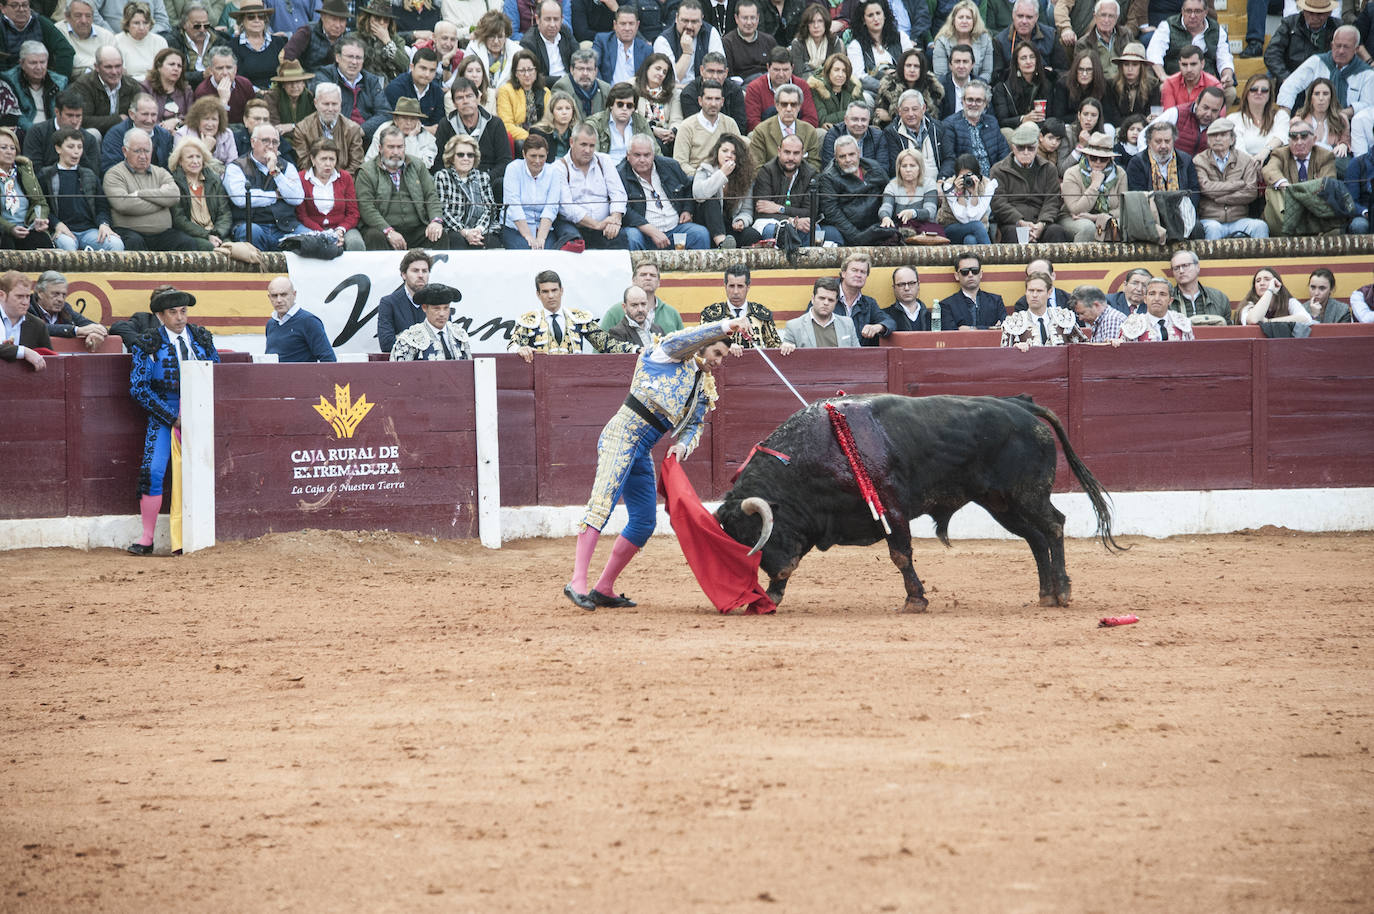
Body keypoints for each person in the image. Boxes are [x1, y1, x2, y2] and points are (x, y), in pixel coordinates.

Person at [565, 312, 748, 611]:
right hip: (621, 435)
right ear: (703, 345)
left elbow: (694, 425)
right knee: (601, 504)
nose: (718, 361)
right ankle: (577, 581)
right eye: (716, 352)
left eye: (723, 357)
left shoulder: (703, 386)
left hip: (643, 448)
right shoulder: (668, 352)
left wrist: (682, 446)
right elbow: (690, 336)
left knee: (644, 522)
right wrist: (728, 326)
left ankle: (604, 587)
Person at [127, 286, 220, 556]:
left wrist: (201, 411)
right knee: (153, 471)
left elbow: (217, 373)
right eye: (173, 312)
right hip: (164, 414)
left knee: (205, 471)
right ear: (160, 315)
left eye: (183, 311)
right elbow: (139, 388)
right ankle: (147, 538)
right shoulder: (148, 343)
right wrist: (172, 417)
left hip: (200, 412)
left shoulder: (201, 337)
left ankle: (199, 534)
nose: (180, 318)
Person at [510, 269, 639, 360]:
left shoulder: (577, 318)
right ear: (538, 294)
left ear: (561, 291)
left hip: (573, 380)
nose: (551, 296)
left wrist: (635, 350)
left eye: (554, 290)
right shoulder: (529, 321)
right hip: (542, 381)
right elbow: (513, 345)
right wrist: (520, 349)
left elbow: (606, 343)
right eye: (545, 292)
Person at [105, 127, 198, 250]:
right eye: (137, 151)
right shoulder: (114, 174)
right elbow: (123, 204)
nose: (143, 156)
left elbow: (175, 196)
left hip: (162, 234)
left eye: (147, 151)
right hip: (130, 232)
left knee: (187, 243)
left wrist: (140, 194)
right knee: (134, 242)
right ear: (125, 151)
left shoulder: (161, 172)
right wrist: (161, 202)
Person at [356, 124, 447, 250]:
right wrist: (388, 231)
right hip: (382, 229)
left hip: (416, 228)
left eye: (400, 147)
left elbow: (431, 196)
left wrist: (436, 221)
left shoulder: (418, 165)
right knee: (373, 236)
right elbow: (366, 207)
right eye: (391, 147)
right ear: (380, 148)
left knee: (439, 234)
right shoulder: (366, 171)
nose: (396, 152)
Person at [618, 133, 709, 250]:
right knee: (632, 237)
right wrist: (649, 229)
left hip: (675, 229)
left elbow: (688, 187)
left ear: (653, 154)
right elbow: (622, 208)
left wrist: (687, 210)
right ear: (628, 155)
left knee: (700, 234)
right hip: (643, 233)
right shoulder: (620, 174)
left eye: (647, 155)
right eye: (637, 155)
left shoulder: (670, 165)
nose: (642, 160)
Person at [37, 127, 121, 252]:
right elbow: (41, 206)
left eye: (79, 147)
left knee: (115, 244)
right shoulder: (46, 175)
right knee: (68, 246)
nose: (76, 152)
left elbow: (102, 206)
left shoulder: (89, 175)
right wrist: (56, 224)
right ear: (58, 148)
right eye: (71, 147)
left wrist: (104, 224)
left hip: (89, 231)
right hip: (62, 230)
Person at [223, 122, 304, 248]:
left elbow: (297, 198)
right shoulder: (236, 167)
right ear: (253, 142)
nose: (270, 146)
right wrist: (275, 195)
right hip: (251, 224)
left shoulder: (287, 167)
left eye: (275, 142)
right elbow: (241, 199)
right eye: (265, 141)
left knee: (311, 239)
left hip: (285, 226)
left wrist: (275, 172)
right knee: (253, 232)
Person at [554, 121, 630, 249]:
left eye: (592, 145)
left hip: (606, 225)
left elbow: (618, 193)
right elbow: (566, 207)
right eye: (583, 145)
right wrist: (596, 225)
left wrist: (615, 219)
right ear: (572, 142)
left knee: (621, 240)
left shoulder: (604, 160)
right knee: (573, 243)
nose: (588, 150)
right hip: (575, 226)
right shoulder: (559, 167)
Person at [988, 122, 1069, 243]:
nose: (1026, 152)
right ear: (1013, 147)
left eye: (1030, 148)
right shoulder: (999, 170)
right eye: (1021, 148)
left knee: (1056, 231)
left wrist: (1042, 224)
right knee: (1013, 234)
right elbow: (998, 203)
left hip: (1041, 222)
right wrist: (1020, 222)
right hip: (1012, 223)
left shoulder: (1049, 168)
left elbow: (1052, 200)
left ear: (1036, 148)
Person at [748, 132, 836, 243]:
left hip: (800, 221)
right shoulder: (767, 171)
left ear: (802, 154)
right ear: (779, 151)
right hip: (770, 222)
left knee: (815, 229)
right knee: (775, 230)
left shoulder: (811, 174)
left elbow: (810, 212)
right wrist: (791, 221)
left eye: (796, 153)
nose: (791, 158)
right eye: (787, 152)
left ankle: (806, 255)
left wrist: (780, 209)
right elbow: (762, 211)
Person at [502, 132, 581, 250]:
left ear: (547, 155)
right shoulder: (513, 168)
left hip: (543, 228)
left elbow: (551, 207)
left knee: (546, 254)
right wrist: (528, 236)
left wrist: (541, 238)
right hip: (515, 228)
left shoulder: (553, 172)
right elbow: (514, 206)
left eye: (542, 156)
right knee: (525, 253)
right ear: (524, 154)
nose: (537, 161)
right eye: (533, 156)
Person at [1194, 118, 1268, 240]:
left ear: (1232, 139)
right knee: (1213, 229)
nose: (1217, 139)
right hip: (1210, 219)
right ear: (1208, 140)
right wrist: (1239, 184)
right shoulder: (1199, 160)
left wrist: (1220, 198)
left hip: (1239, 219)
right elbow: (1206, 188)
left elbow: (1251, 192)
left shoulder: (1245, 160)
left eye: (1223, 135)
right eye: (1213, 135)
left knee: (1260, 226)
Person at [308, 34, 391, 140]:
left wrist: (361, 130)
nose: (354, 62)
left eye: (358, 58)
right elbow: (328, 109)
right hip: (335, 137)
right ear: (338, 57)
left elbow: (385, 113)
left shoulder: (371, 81)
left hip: (366, 137)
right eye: (350, 57)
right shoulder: (324, 76)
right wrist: (348, 132)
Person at [1275, 26, 1371, 117]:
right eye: (1338, 46)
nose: (1341, 51)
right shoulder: (1316, 62)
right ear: (1332, 45)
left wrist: (1339, 115)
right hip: (1313, 120)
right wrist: (1285, 114)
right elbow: (1289, 86)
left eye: (1346, 47)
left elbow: (1368, 104)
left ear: (1356, 49)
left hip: (1350, 122)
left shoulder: (1367, 73)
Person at [1261, 120, 1337, 235]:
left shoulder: (1325, 156)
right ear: (1288, 141)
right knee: (1273, 189)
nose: (1299, 142)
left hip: (1313, 211)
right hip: (1284, 215)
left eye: (1304, 137)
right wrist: (1285, 185)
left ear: (1314, 139)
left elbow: (1328, 182)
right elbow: (1269, 170)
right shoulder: (1281, 154)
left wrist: (1301, 195)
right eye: (1294, 138)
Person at [432, 77, 513, 184]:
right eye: (460, 98)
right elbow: (437, 161)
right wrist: (455, 180)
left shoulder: (495, 124)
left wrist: (485, 178)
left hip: (488, 180)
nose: (465, 101)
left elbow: (505, 161)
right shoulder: (446, 124)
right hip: (454, 182)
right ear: (454, 103)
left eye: (469, 96)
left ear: (478, 98)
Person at [1146, 0, 1234, 98]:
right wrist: (1163, 76)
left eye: (1197, 11)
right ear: (1182, 11)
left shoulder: (1217, 29)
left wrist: (1227, 75)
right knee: (1164, 88)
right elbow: (1154, 53)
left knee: (1230, 92)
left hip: (1206, 84)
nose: (1192, 16)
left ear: (1205, 12)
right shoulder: (1167, 26)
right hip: (1175, 82)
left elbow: (1224, 58)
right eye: (1188, 11)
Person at [296, 136, 364, 252]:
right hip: (313, 229)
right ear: (313, 159)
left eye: (332, 159)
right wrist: (325, 234)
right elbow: (302, 215)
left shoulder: (345, 177)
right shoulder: (301, 178)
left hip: (342, 228)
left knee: (356, 243)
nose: (328, 164)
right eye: (323, 159)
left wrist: (340, 230)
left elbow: (353, 213)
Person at [433, 133, 501, 250]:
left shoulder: (483, 177)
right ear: (451, 157)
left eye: (470, 155)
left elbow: (490, 208)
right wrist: (465, 232)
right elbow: (443, 210)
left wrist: (478, 230)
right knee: (457, 241)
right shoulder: (442, 176)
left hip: (480, 229)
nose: (466, 158)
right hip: (453, 229)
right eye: (460, 155)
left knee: (491, 242)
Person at [692, 131, 758, 247]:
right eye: (725, 151)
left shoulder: (745, 176)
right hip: (707, 223)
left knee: (752, 235)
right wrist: (722, 174)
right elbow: (698, 195)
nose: (729, 155)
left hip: (729, 224)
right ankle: (722, 244)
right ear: (717, 152)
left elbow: (747, 210)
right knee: (711, 199)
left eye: (734, 153)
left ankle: (731, 248)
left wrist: (741, 221)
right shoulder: (705, 169)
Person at [699, 263, 781, 353]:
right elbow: (702, 345)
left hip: (755, 362)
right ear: (725, 286)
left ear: (748, 287)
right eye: (731, 286)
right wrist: (725, 347)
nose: (736, 292)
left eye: (740, 286)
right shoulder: (711, 314)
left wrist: (785, 347)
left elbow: (775, 346)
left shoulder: (761, 313)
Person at [168, 134, 231, 251]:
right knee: (209, 248)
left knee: (233, 248)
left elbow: (225, 214)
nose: (195, 161)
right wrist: (207, 235)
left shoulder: (214, 180)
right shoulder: (174, 182)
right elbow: (179, 219)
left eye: (198, 156)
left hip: (216, 233)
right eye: (190, 157)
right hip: (193, 236)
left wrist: (216, 234)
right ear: (180, 161)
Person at [1058, 131, 1123, 242]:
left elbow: (1123, 208)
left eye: (1103, 159)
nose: (1098, 162)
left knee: (1120, 224)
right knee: (1088, 228)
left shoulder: (1120, 173)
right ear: (1087, 156)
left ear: (1110, 158)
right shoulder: (1072, 173)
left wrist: (1097, 217)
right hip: (1071, 217)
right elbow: (1076, 210)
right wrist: (1095, 185)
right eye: (1093, 157)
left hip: (1107, 216)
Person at [936, 79, 1007, 177]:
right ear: (962, 101)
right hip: (965, 179)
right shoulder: (950, 125)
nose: (973, 104)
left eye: (978, 100)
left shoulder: (992, 122)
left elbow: (1003, 153)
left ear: (985, 103)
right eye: (970, 99)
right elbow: (950, 159)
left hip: (993, 178)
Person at [27, 270, 108, 350]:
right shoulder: (27, 307)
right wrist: (77, 331)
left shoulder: (65, 309)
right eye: (55, 294)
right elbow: (38, 328)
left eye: (64, 295)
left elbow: (91, 325)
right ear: (40, 293)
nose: (60, 299)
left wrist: (96, 332)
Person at [1125, 120, 1200, 206]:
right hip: (1150, 211)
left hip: (1182, 210)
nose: (1163, 146)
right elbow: (1138, 196)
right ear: (1149, 142)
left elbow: (1194, 192)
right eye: (1158, 141)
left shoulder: (1185, 160)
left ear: (1173, 141)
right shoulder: (1137, 162)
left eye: (1167, 141)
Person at [990, 0, 1068, 83]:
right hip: (1013, 87)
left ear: (1036, 17)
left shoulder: (1052, 36)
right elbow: (997, 77)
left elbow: (1063, 72)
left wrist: (1050, 73)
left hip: (1046, 85)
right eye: (1020, 16)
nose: (1024, 21)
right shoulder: (1000, 41)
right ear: (1013, 15)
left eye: (1029, 17)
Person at [1000, 271, 1083, 349]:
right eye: (1031, 290)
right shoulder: (1013, 323)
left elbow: (1083, 348)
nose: (1034, 295)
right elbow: (1004, 355)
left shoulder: (1065, 317)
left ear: (1049, 293)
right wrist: (1015, 350)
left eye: (1039, 291)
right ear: (1026, 292)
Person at [600, 260, 686, 334]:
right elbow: (600, 345)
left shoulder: (672, 313)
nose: (648, 278)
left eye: (652, 275)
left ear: (659, 282)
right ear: (633, 280)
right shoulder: (615, 312)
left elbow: (684, 344)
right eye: (643, 275)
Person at [748, 81, 822, 168]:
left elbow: (814, 165)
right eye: (784, 104)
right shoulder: (761, 131)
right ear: (777, 106)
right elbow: (757, 167)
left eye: (793, 104)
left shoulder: (809, 131)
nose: (789, 109)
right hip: (770, 176)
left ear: (799, 107)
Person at [743, 45, 819, 130]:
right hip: (766, 134)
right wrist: (780, 133)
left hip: (798, 134)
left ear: (792, 68)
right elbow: (752, 122)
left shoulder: (802, 85)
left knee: (820, 132)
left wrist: (791, 132)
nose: (781, 74)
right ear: (768, 67)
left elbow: (811, 118)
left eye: (785, 70)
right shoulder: (755, 88)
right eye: (776, 70)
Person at [262, 276, 337, 363]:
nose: (279, 300)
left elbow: (329, 360)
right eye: (274, 296)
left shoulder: (309, 321)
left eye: (283, 294)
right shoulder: (271, 324)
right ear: (269, 297)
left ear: (294, 294)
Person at [1264, 0, 1339, 86]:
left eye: (1320, 14)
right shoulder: (1289, 24)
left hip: (1326, 81)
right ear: (1304, 11)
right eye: (1311, 13)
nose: (1314, 18)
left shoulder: (1337, 27)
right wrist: (1285, 77)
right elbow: (1272, 53)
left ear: (1329, 13)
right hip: (1293, 77)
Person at [389, 283, 471, 361]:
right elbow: (398, 370)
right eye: (436, 309)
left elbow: (468, 366)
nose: (442, 314)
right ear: (424, 308)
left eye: (446, 308)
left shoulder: (459, 334)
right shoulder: (410, 338)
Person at [673, 78, 742, 171]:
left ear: (722, 101)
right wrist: (702, 176)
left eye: (717, 99)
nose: (713, 104)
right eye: (709, 98)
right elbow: (680, 163)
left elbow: (740, 156)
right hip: (696, 176)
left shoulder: (730, 123)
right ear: (700, 101)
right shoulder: (687, 126)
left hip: (727, 175)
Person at [586, 80, 662, 163]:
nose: (624, 108)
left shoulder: (640, 122)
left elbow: (656, 152)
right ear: (611, 105)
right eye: (620, 104)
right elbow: (592, 156)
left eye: (629, 105)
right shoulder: (596, 123)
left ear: (634, 108)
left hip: (634, 168)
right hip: (606, 168)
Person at [779, 276, 859, 352]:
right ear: (813, 299)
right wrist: (786, 348)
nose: (826, 303)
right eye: (822, 298)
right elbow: (786, 357)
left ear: (836, 302)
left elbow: (858, 355)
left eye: (831, 300)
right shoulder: (794, 326)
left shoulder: (847, 324)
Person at [71, 45, 141, 132]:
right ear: (96, 67)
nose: (114, 72)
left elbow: (140, 114)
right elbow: (82, 120)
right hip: (96, 135)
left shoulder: (132, 85)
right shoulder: (84, 85)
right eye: (108, 67)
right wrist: (117, 120)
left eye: (118, 66)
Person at [992, 42, 1052, 141]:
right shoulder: (1003, 87)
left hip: (1040, 131)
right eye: (1023, 58)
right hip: (1014, 131)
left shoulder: (1046, 84)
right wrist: (1023, 119)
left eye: (1032, 57)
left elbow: (1051, 115)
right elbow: (1001, 121)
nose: (1028, 61)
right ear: (1017, 63)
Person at [654, 0, 726, 82]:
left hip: (705, 87)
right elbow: (670, 80)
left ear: (701, 20)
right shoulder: (663, 40)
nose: (689, 26)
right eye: (685, 21)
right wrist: (686, 53)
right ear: (676, 18)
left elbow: (719, 71)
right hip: (675, 89)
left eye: (694, 21)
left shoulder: (711, 33)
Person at [376, 248, 433, 352]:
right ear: (404, 274)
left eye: (424, 271)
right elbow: (387, 344)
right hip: (402, 362)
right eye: (415, 271)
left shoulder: (437, 301)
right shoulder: (389, 303)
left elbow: (445, 341)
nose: (421, 275)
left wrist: (403, 338)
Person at [100, 92, 174, 171]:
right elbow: (110, 169)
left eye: (153, 115)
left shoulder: (164, 135)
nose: (149, 120)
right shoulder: (116, 135)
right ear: (132, 114)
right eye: (145, 114)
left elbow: (169, 169)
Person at [879, 146, 941, 236]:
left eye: (912, 166)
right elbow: (885, 207)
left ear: (920, 168)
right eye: (904, 166)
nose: (908, 170)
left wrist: (913, 213)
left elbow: (930, 212)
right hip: (901, 228)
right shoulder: (892, 186)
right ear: (899, 168)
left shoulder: (929, 183)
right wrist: (885, 217)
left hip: (926, 228)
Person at [363, 96, 438, 168]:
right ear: (396, 119)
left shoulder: (427, 138)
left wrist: (411, 139)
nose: (408, 123)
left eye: (413, 119)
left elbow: (424, 165)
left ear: (418, 121)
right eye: (404, 118)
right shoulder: (383, 130)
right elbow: (370, 160)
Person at [1227, 72, 1289, 157]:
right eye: (1254, 89)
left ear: (1269, 95)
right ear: (1246, 93)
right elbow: (1238, 148)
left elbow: (1281, 137)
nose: (1259, 92)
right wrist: (1254, 161)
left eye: (1264, 90)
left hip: (1274, 161)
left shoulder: (1280, 116)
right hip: (1244, 163)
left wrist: (1265, 152)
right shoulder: (1233, 119)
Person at [937, 152, 995, 243]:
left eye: (969, 175)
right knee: (977, 226)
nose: (966, 180)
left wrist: (974, 193)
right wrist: (959, 193)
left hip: (976, 230)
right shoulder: (949, 185)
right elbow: (963, 219)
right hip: (952, 228)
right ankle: (991, 252)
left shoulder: (987, 185)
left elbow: (975, 217)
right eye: (962, 177)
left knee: (970, 240)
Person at [384, 47, 444, 131]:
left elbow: (437, 125)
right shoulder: (395, 88)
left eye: (432, 70)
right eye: (423, 68)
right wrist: (424, 129)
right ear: (412, 67)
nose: (427, 74)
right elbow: (392, 121)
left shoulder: (437, 92)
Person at [191, 46, 256, 123]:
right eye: (220, 68)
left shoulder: (245, 84)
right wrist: (223, 101)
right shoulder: (202, 92)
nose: (225, 73)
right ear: (211, 70)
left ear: (235, 69)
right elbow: (210, 124)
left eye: (229, 67)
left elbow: (254, 113)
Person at [283, 0, 350, 74]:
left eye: (342, 20)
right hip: (308, 78)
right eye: (333, 19)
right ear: (322, 17)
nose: (338, 25)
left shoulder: (349, 39)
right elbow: (287, 56)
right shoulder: (306, 32)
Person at [1, 270, 48, 370]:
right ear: (2, 296)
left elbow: (49, 360)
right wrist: (24, 351)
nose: (25, 302)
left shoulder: (38, 325)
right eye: (19, 297)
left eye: (27, 296)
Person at [1168, 249, 1231, 324]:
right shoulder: (1167, 299)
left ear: (1197, 267)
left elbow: (1228, 329)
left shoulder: (1220, 298)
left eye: (1185, 265)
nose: (1181, 271)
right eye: (1176, 268)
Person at [1122, 275, 1195, 339]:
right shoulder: (1133, 324)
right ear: (1145, 299)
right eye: (1152, 294)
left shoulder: (1182, 322)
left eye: (1162, 294)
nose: (1157, 299)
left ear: (1170, 300)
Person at [945, 252, 1005, 329]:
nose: (970, 275)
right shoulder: (946, 305)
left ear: (981, 274)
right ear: (956, 276)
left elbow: (1005, 329)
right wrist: (991, 328)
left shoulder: (996, 301)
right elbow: (950, 333)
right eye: (965, 271)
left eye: (975, 271)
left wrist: (971, 329)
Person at [1103, 41, 1159, 123]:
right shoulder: (1111, 85)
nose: (1130, 69)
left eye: (1135, 64)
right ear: (1121, 66)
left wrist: (1141, 124)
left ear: (1141, 67)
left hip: (1144, 127)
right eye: (1126, 64)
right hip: (1117, 127)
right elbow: (1111, 115)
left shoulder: (1153, 85)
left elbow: (1152, 114)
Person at [820, 97, 887, 165]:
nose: (859, 124)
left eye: (864, 120)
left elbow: (882, 167)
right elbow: (828, 166)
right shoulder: (834, 134)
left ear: (869, 121)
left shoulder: (878, 137)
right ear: (846, 120)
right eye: (855, 119)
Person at [725, 0, 779, 84]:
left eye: (753, 18)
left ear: (758, 18)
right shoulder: (728, 42)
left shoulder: (769, 41)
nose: (749, 22)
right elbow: (729, 76)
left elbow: (778, 68)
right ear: (736, 18)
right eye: (745, 18)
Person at [139, 47, 192, 132]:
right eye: (171, 64)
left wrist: (177, 122)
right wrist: (163, 128)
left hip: (181, 134)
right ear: (159, 66)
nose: (176, 68)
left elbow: (192, 117)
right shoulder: (145, 88)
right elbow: (143, 117)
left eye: (179, 66)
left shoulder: (186, 90)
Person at [353, 0, 407, 83]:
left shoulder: (396, 40)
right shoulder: (355, 38)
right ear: (368, 18)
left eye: (386, 20)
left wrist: (388, 42)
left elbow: (404, 65)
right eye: (377, 18)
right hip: (361, 83)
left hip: (388, 84)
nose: (381, 23)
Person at [595, 6, 653, 85]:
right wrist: (603, 89)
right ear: (615, 25)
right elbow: (594, 67)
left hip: (636, 92)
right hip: (608, 91)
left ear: (637, 25)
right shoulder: (603, 41)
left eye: (631, 24)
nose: (627, 28)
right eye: (623, 24)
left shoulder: (647, 50)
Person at [520, 0, 575, 81]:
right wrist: (564, 81)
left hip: (570, 82)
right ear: (537, 19)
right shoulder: (528, 43)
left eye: (556, 19)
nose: (552, 24)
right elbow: (533, 77)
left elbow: (578, 58)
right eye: (548, 19)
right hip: (546, 86)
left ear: (562, 19)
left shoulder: (565, 31)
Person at [60, 0, 116, 79]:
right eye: (78, 15)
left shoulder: (106, 36)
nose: (84, 21)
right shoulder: (58, 32)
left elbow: (117, 65)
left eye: (88, 16)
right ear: (67, 17)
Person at [112, 0, 166, 83]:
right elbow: (120, 74)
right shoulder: (116, 41)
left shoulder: (160, 41)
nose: (141, 27)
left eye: (145, 23)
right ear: (127, 24)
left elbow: (163, 72)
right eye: (136, 23)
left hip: (155, 85)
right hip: (128, 85)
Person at [1157, 44, 1221, 110]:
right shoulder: (1170, 83)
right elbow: (1169, 113)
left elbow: (1217, 114)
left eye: (1193, 64)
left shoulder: (1214, 85)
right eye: (1184, 65)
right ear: (1179, 64)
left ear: (1202, 64)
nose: (1189, 69)